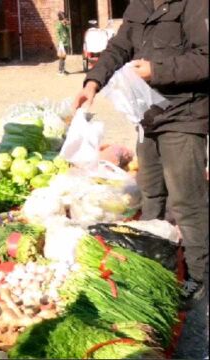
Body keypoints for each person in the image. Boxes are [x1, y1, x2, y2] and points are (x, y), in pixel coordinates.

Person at [72, 0, 208, 308]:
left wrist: (155, 70)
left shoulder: (196, 4)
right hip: (147, 115)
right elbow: (119, 47)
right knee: (151, 195)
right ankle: (155, 264)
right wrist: (93, 81)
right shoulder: (140, 4)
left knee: (187, 200)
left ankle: (198, 277)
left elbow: (205, 58)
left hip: (184, 115)